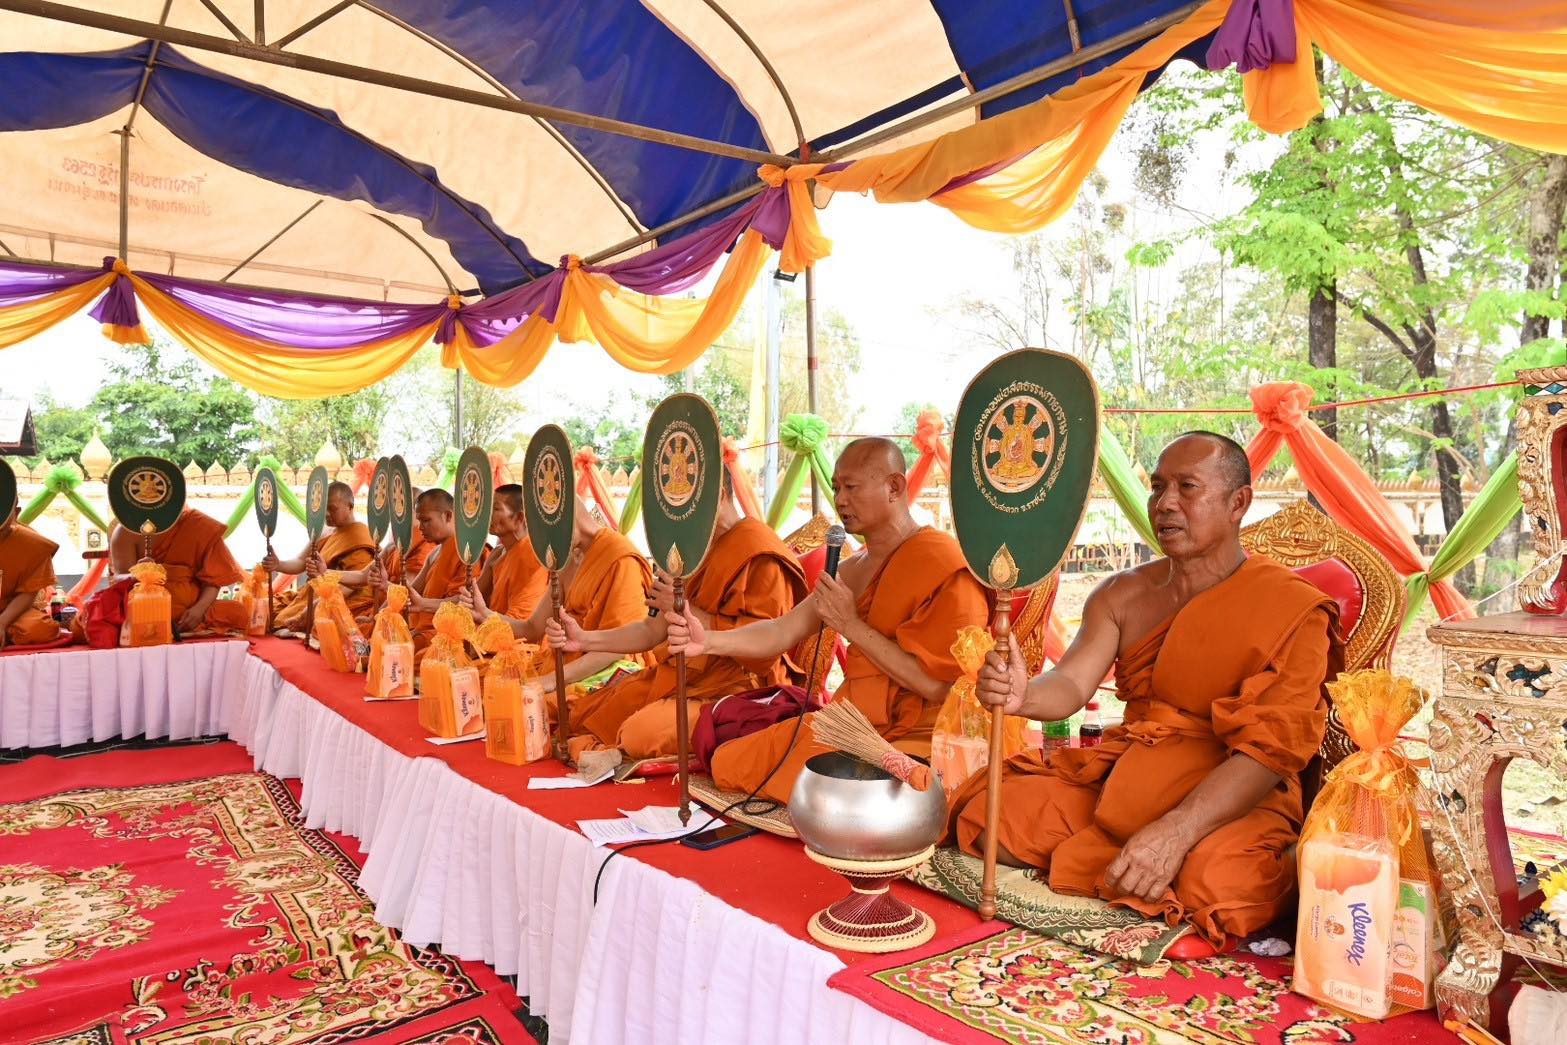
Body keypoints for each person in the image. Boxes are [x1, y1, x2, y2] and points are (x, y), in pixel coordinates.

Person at [947, 432, 1342, 948]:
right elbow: (1071, 681)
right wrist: (1025, 696)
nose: (1165, 503)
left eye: (1187, 487)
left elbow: (1270, 754)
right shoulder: (1123, 593)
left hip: (1232, 786)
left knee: (1214, 885)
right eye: (1157, 488)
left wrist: (1177, 832)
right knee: (989, 815)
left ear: (1238, 503)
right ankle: (1133, 862)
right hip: (1127, 772)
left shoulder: (1292, 609)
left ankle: (1284, 861)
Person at [665, 437, 989, 804]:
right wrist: (708, 640)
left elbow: (938, 688)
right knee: (730, 762)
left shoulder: (943, 564)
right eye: (836, 488)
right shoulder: (849, 570)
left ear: (895, 487)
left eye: (851, 487)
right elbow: (781, 630)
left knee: (860, 795)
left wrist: (851, 627)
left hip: (925, 734)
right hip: (853, 724)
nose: (840, 500)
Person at [546, 472, 807, 761]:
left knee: (637, 734)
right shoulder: (687, 551)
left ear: (718, 495)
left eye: (685, 505)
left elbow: (762, 658)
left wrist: (683, 608)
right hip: (678, 676)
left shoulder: (759, 553)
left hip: (737, 689)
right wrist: (585, 638)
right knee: (581, 715)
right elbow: (650, 631)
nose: (679, 519)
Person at [461, 495, 651, 694]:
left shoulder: (620, 558)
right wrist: (484, 614)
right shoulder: (571, 557)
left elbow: (617, 648)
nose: (545, 543)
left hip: (608, 671)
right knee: (489, 684)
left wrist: (551, 681)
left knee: (529, 702)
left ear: (564, 519)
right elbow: (532, 628)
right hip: (563, 663)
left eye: (545, 532)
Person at [109, 506, 247, 635]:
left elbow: (213, 581)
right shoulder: (126, 531)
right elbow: (118, 580)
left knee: (238, 612)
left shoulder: (197, 525)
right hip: (147, 609)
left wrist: (199, 610)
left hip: (194, 609)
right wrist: (136, 575)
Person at [368, 488, 473, 657]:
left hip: (448, 635)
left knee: (399, 654)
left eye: (426, 520)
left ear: (447, 516)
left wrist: (424, 604)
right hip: (423, 629)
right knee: (384, 641)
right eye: (419, 520)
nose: (420, 527)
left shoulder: (467, 552)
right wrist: (384, 588)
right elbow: (409, 592)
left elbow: (466, 602)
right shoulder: (435, 553)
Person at [263, 481, 376, 633]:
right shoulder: (324, 531)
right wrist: (278, 565)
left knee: (284, 619)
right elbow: (301, 562)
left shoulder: (359, 537)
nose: (327, 514)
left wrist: (315, 606)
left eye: (332, 508)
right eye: (324, 509)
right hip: (312, 592)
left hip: (338, 598)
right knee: (266, 608)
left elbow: (353, 585)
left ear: (350, 506)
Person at [469, 484, 546, 623]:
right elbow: (474, 597)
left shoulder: (534, 555)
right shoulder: (498, 553)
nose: (487, 514)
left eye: (495, 509)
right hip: (493, 625)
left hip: (517, 632)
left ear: (519, 517)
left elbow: (524, 618)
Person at [0, 506, 64, 648]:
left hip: (11, 611)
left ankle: (6, 633)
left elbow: (28, 592)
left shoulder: (32, 544)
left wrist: (2, 622)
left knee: (42, 629)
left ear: (16, 513)